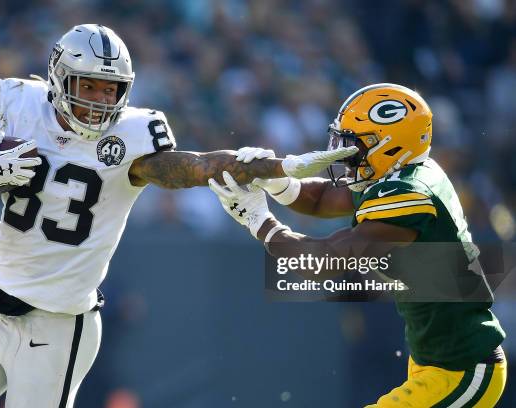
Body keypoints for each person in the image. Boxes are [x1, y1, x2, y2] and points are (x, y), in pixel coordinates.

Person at [0, 24, 356, 408]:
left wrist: (265, 165)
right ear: (60, 78)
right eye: (90, 86)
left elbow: (193, 166)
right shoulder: (18, 106)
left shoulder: (132, 136)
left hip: (58, 324)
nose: (102, 100)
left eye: (112, 88)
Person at [209, 83, 507, 407]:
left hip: (462, 368)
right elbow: (323, 198)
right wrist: (277, 182)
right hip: (436, 361)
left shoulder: (408, 193)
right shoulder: (406, 173)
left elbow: (325, 264)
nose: (346, 155)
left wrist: (261, 224)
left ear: (392, 146)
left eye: (356, 145)